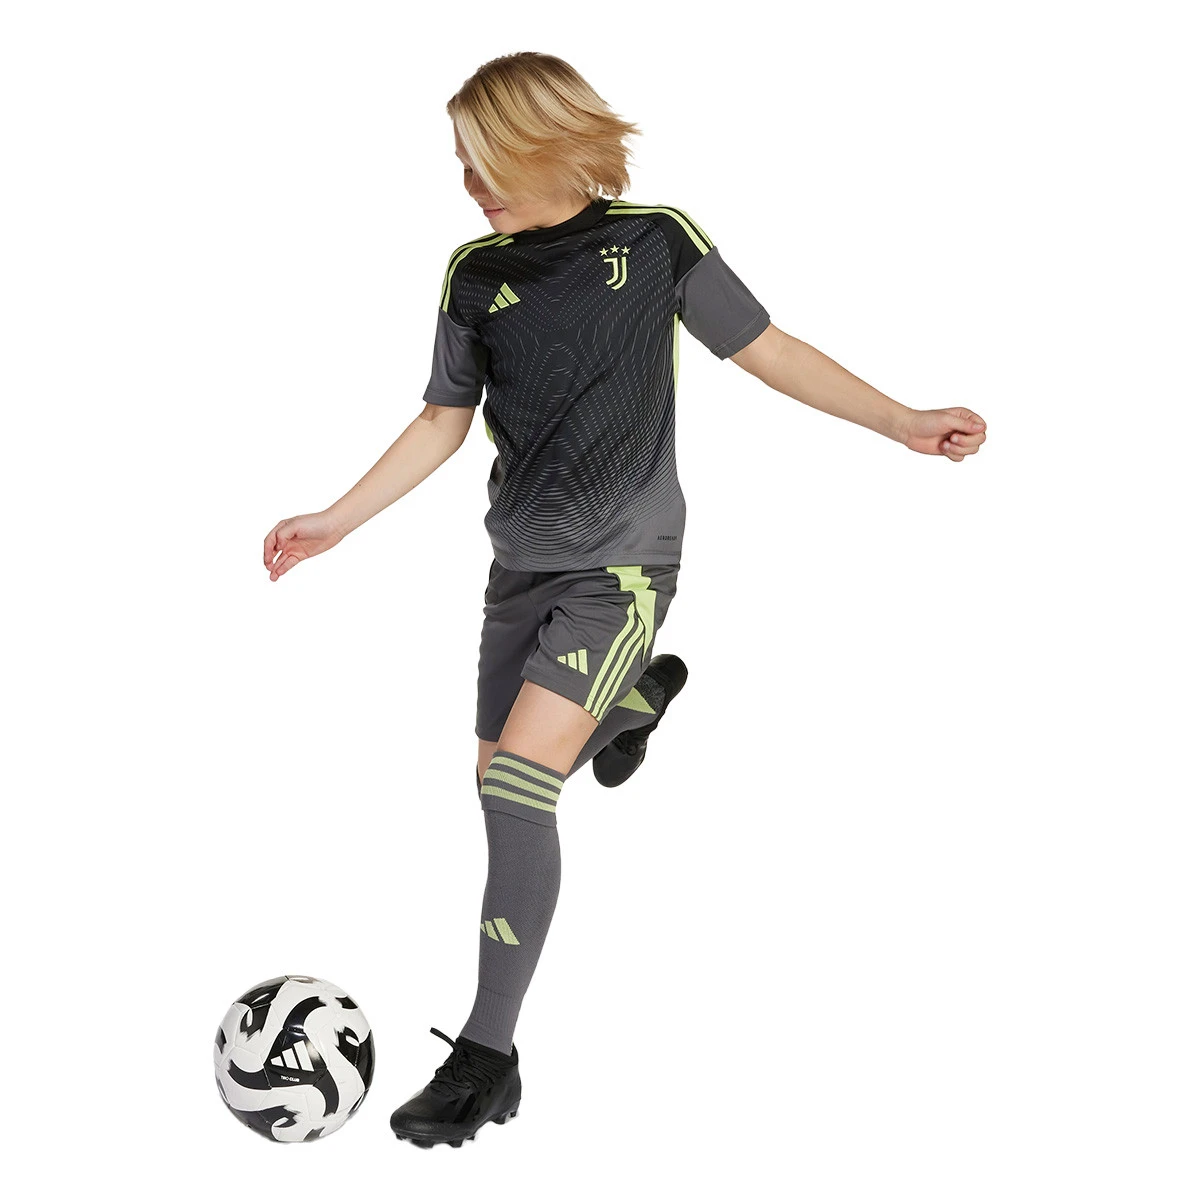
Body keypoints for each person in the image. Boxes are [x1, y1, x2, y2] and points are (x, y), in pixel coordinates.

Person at [262, 51, 988, 1150]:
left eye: (486, 159)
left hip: (624, 567)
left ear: (550, 142)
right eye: (460, 163)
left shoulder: (655, 244)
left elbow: (770, 350)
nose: (470, 183)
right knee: (501, 784)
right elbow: (441, 420)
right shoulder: (473, 275)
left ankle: (487, 1058)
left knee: (516, 790)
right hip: (519, 571)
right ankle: (633, 706)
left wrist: (902, 420)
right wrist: (336, 519)